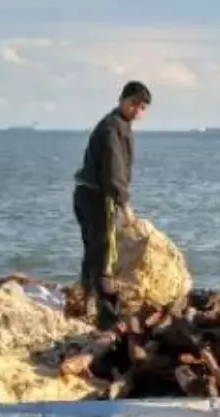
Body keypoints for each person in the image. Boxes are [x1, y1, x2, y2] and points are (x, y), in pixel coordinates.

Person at [72, 81, 152, 330]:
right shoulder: (113, 128)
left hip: (85, 193)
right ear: (122, 100)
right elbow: (114, 170)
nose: (136, 110)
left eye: (142, 107)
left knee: (93, 250)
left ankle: (86, 301)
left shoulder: (117, 124)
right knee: (104, 254)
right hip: (98, 197)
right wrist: (124, 203)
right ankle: (107, 317)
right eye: (133, 104)